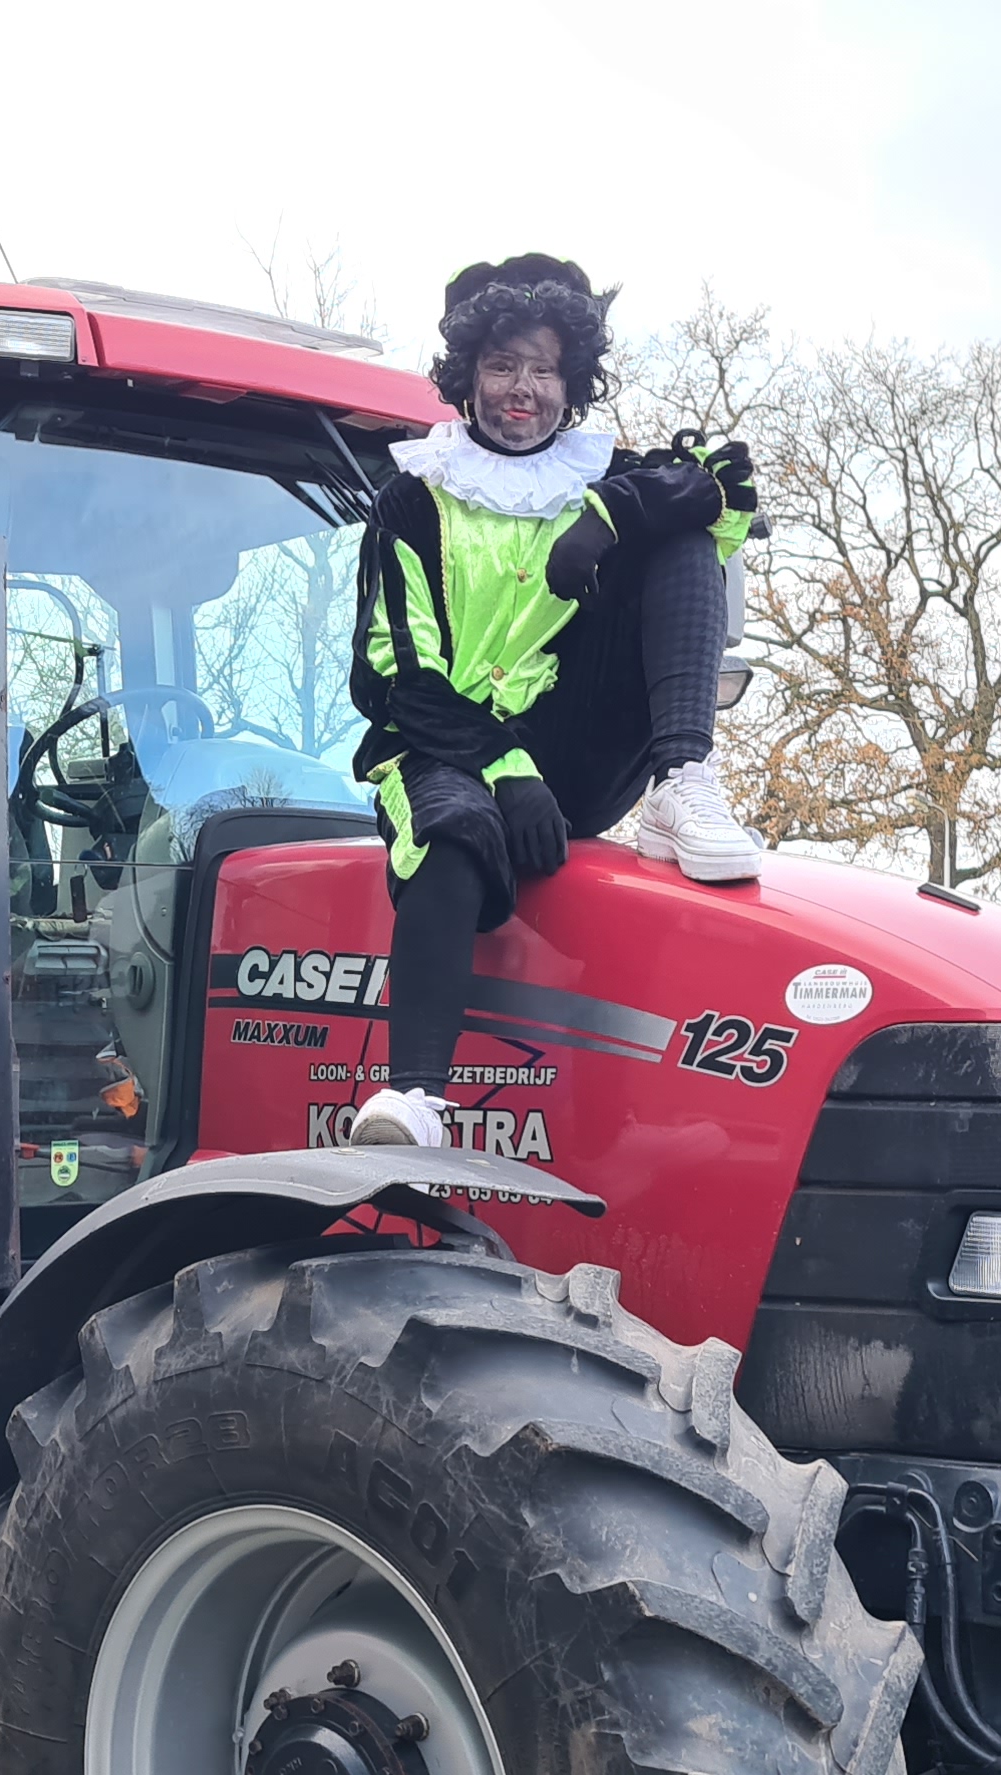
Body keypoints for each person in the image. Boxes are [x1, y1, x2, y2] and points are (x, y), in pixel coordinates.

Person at [339, 253, 763, 1149]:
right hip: (447, 748)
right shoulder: (413, 500)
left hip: (572, 748)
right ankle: (415, 1096)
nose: (522, 390)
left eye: (543, 369)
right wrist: (505, 765)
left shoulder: (595, 471)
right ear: (467, 377)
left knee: (677, 525)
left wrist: (609, 512)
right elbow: (392, 677)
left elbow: (717, 490)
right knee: (450, 830)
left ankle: (683, 780)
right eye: (501, 367)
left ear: (572, 384)